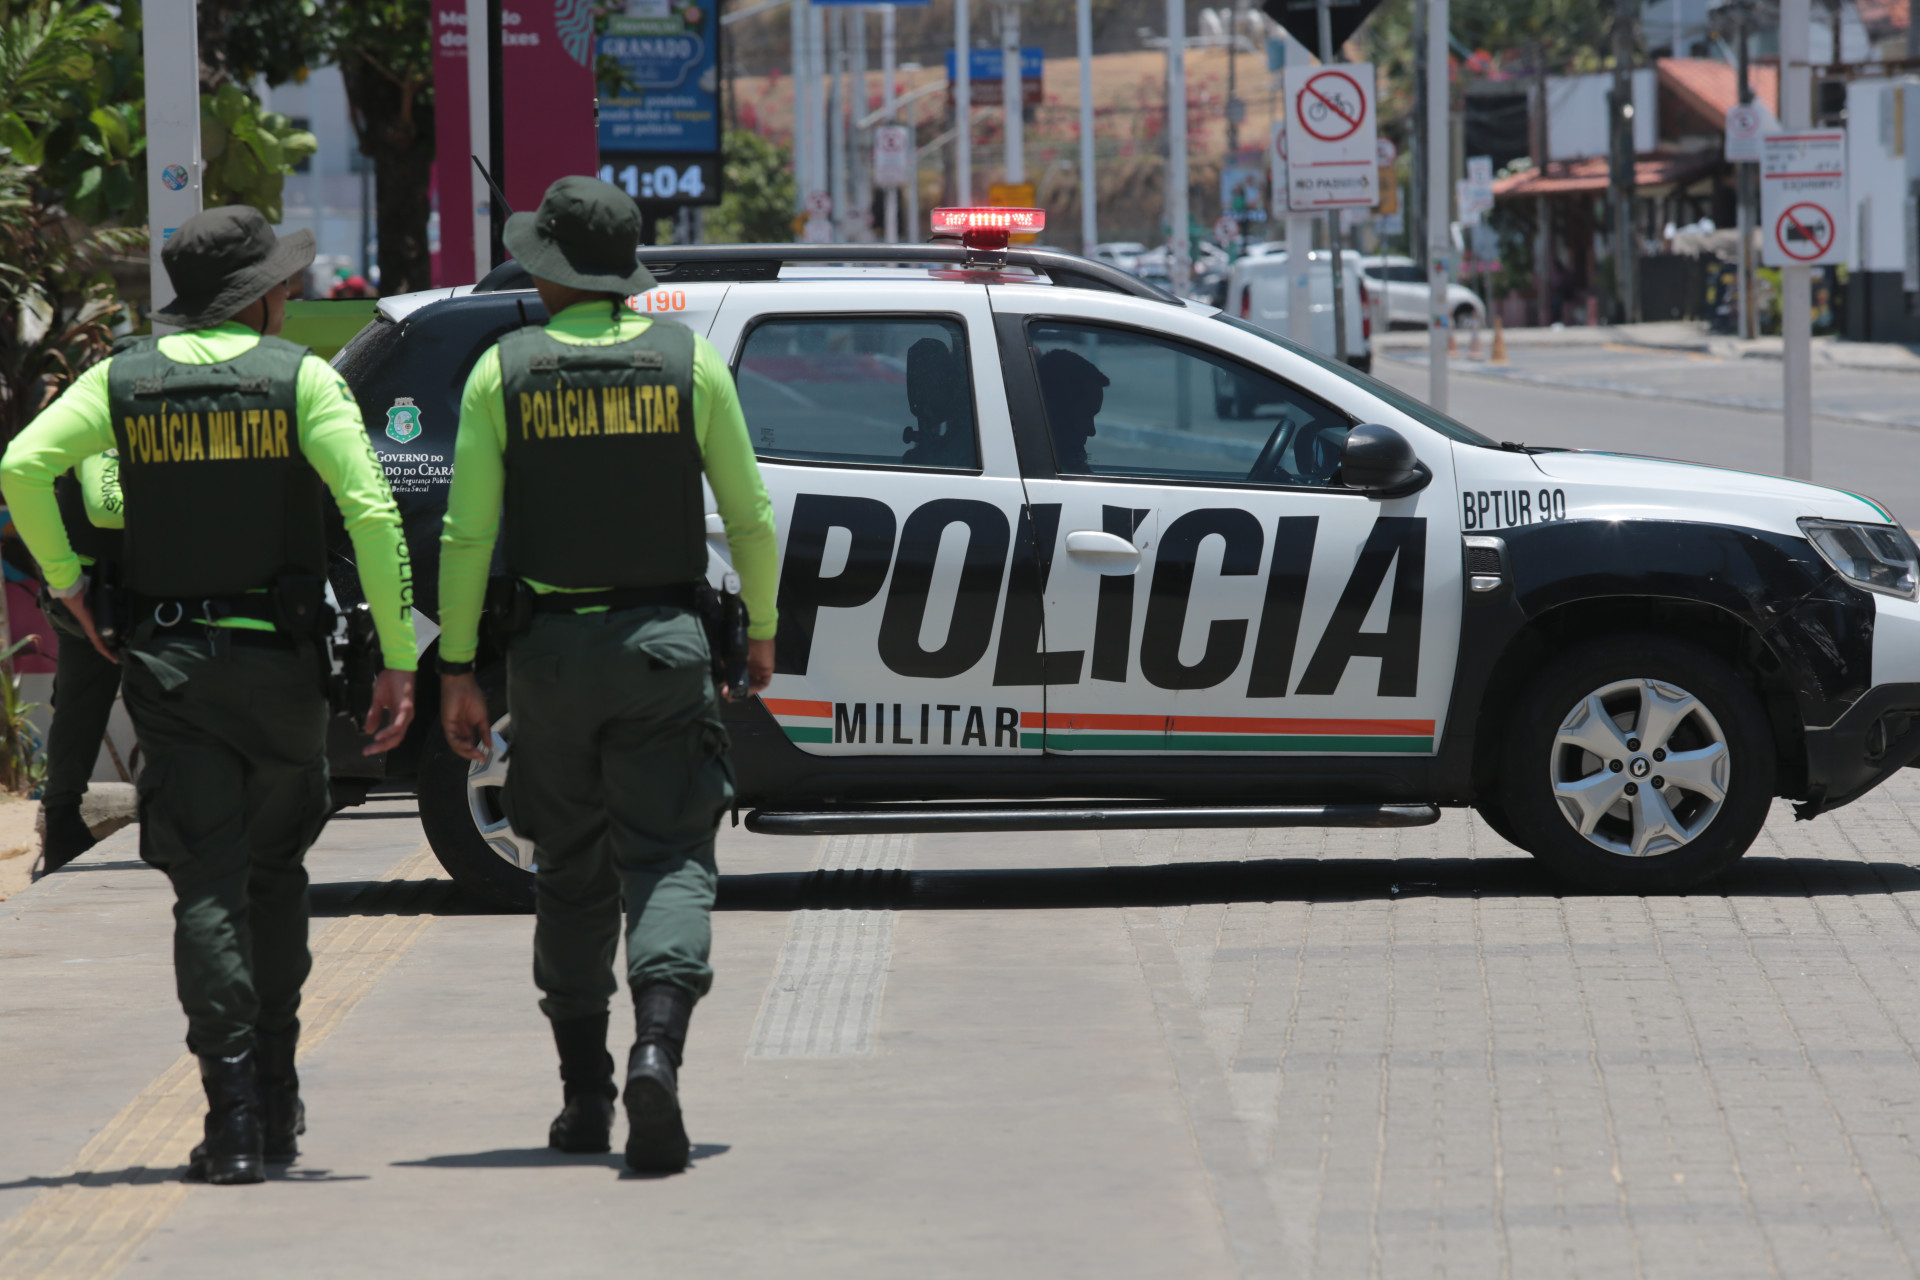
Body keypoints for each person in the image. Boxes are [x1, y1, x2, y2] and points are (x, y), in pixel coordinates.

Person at [0, 205, 418, 1185]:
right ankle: (277, 1094)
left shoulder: (123, 379)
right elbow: (371, 513)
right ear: (263, 296)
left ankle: (229, 1116)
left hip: (172, 671)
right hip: (284, 670)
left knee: (207, 888)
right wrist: (399, 655)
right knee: (277, 877)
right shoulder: (302, 378)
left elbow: (21, 464)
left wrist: (68, 587)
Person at [437, 175, 778, 1173]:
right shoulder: (688, 360)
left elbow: (466, 534)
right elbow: (749, 512)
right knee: (671, 854)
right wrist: (762, 629)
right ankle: (658, 1050)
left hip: (549, 658)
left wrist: (461, 666)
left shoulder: (502, 370)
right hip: (665, 643)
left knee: (570, 870)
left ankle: (584, 1098)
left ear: (548, 272)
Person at [36, 449, 124, 875]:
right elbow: (107, 505)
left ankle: (62, 823)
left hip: (100, 586)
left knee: (77, 708)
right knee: (81, 708)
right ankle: (63, 823)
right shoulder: (103, 421)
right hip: (100, 592)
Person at [1036, 347, 1110, 473]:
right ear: (1056, 412)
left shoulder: (1054, 463)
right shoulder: (1042, 469)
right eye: (1086, 416)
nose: (1092, 431)